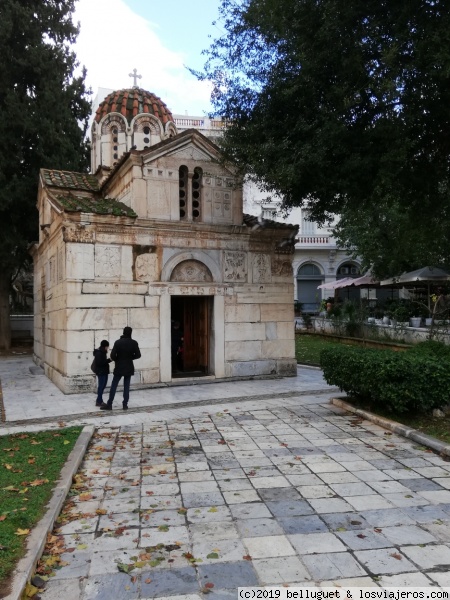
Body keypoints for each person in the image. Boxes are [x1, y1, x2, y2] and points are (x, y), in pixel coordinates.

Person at [100, 326, 141, 411]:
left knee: (114, 385)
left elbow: (112, 356)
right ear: (131, 333)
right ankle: (125, 405)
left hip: (119, 367)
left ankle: (109, 404)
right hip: (129, 367)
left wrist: (118, 359)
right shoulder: (134, 343)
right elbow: (138, 355)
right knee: (126, 386)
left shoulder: (118, 342)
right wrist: (130, 358)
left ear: (123, 332)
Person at [93, 340, 111, 407]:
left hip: (104, 371)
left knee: (103, 386)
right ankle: (100, 401)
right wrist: (109, 360)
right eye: (107, 346)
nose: (107, 348)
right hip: (101, 372)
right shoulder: (99, 353)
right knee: (101, 387)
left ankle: (98, 401)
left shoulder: (102, 352)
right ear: (104, 346)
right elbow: (100, 363)